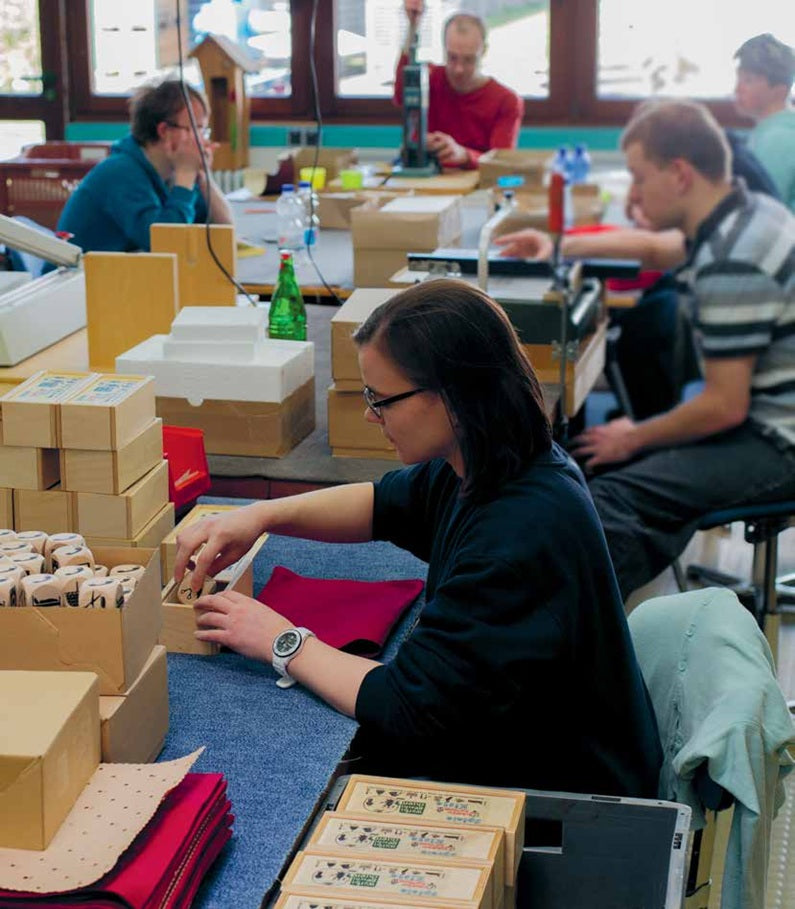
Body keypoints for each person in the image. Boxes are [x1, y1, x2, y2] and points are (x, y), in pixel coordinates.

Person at [173, 279, 662, 797]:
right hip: (523, 752)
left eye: (381, 399)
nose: (369, 414)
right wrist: (261, 517)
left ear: (453, 395)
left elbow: (406, 705)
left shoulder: (517, 536)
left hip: (565, 801)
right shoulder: (489, 461)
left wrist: (280, 641)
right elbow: (382, 505)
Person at [501, 100, 795, 600]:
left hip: (777, 442)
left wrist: (634, 436)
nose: (632, 192)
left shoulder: (733, 260)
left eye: (638, 178)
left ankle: (557, 641)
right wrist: (558, 243)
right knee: (596, 462)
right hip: (763, 418)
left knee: (612, 497)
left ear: (679, 173)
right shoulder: (743, 213)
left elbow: (725, 405)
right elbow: (657, 249)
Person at [57, 79, 233, 252]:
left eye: (204, 130)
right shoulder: (121, 173)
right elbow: (167, 245)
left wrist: (203, 176)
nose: (203, 140)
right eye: (196, 129)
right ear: (164, 131)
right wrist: (186, 174)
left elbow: (225, 230)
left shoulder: (169, 172)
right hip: (79, 279)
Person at [393, 1, 523, 169]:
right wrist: (413, 26)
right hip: (426, 182)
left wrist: (465, 155)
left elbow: (501, 164)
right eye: (452, 58)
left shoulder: (506, 101)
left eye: (469, 59)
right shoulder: (429, 79)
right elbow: (400, 95)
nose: (458, 69)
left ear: (483, 51)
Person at [734, 33, 795, 212]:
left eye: (748, 81)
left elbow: (761, 211)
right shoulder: (775, 130)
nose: (737, 89)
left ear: (780, 91)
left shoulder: (777, 138)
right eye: (739, 79)